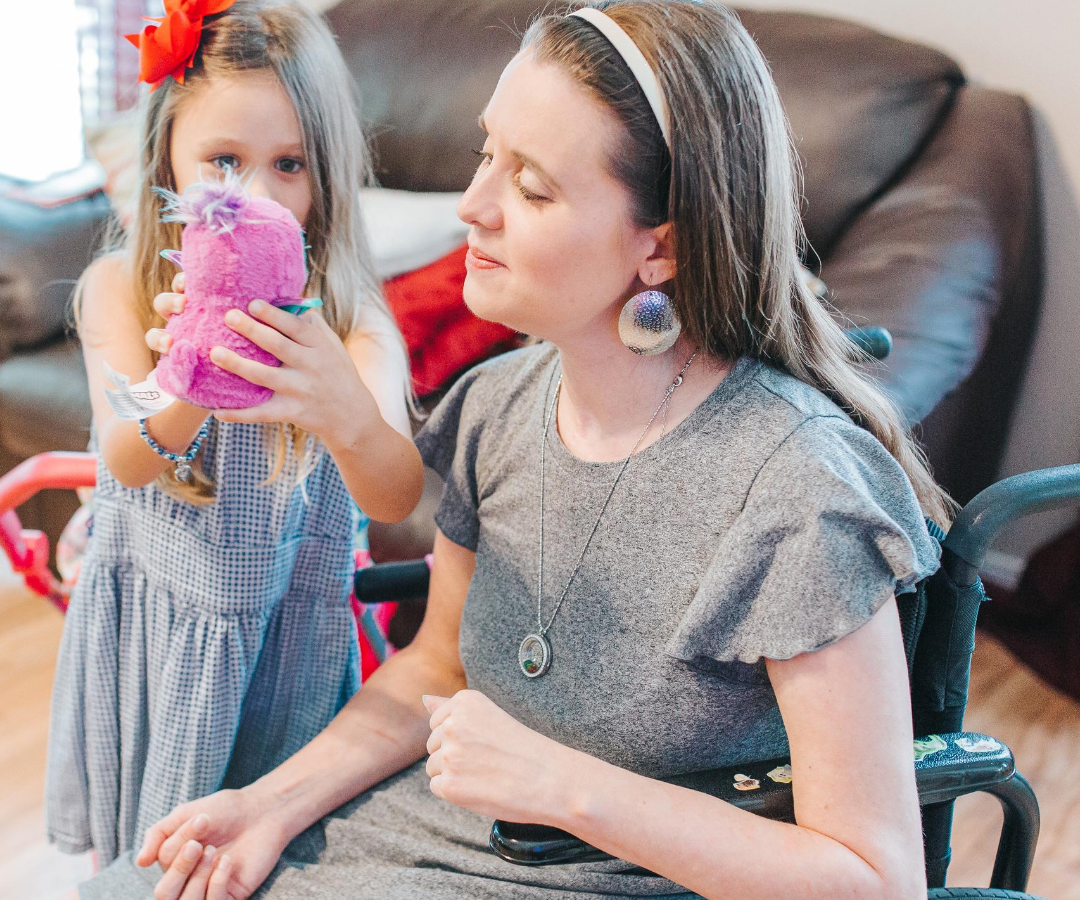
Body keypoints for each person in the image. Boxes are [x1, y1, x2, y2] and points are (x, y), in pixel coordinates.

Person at [75, 1, 946, 897]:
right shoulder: (495, 407)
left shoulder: (798, 487)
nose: (471, 206)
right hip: (433, 834)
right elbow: (438, 667)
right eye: (488, 153)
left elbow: (873, 879)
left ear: (661, 249)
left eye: (531, 187)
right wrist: (269, 804)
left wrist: (561, 785)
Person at [47, 0, 423, 869]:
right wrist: (193, 372)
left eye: (288, 164)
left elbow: (396, 491)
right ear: (165, 163)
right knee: (149, 859)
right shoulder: (121, 291)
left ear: (326, 174)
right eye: (224, 161)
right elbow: (128, 460)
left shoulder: (351, 321)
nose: (256, 196)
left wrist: (339, 406)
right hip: (153, 640)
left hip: (280, 655)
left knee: (260, 865)